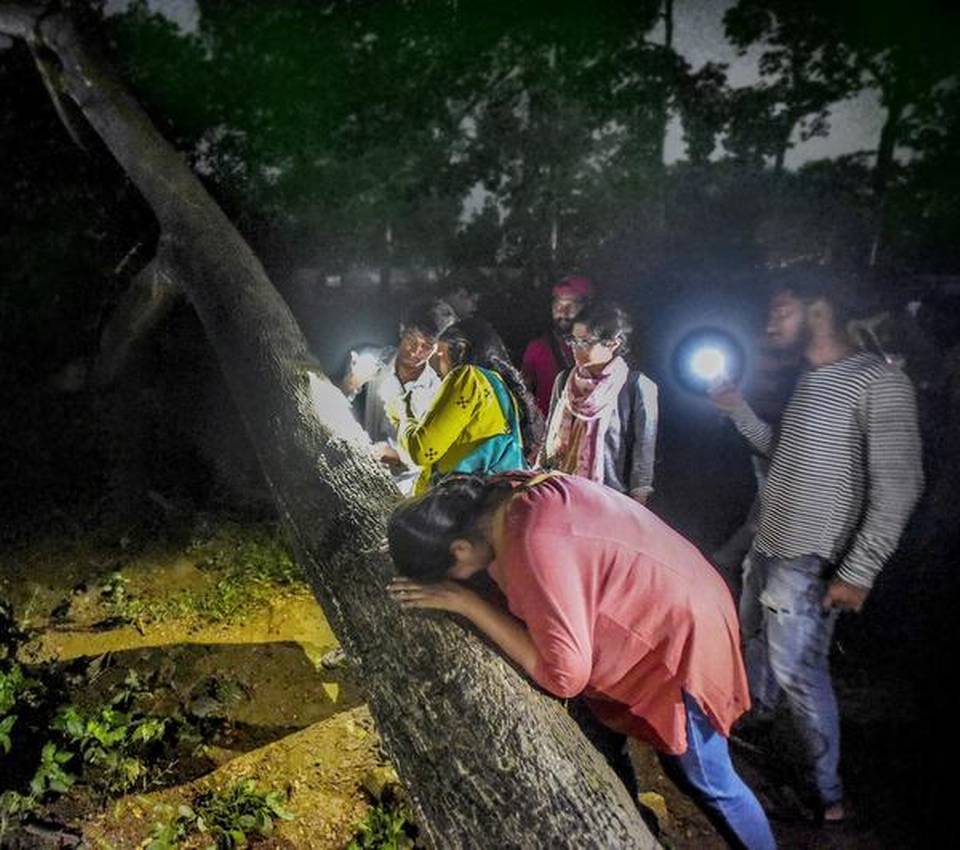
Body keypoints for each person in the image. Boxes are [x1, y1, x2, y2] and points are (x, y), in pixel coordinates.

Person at [387, 472, 777, 850]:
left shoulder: (532, 544)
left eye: (454, 575)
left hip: (680, 643)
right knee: (625, 742)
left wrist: (467, 603)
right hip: (677, 595)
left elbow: (564, 676)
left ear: (459, 549)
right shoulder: (502, 495)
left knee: (705, 778)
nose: (462, 581)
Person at [710, 271, 924, 825]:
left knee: (800, 674)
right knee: (758, 648)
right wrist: (736, 408)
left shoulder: (879, 381)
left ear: (820, 310)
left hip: (810, 558)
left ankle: (827, 797)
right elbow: (781, 454)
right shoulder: (813, 380)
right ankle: (754, 728)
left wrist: (859, 570)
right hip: (772, 548)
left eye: (781, 312)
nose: (769, 324)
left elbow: (900, 484)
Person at [394, 318, 542, 494]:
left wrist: (404, 414)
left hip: (459, 501)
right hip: (489, 500)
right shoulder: (499, 386)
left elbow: (423, 451)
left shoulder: (469, 377)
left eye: (439, 354)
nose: (436, 367)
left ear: (462, 348)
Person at [541, 301, 658, 505]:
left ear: (613, 343)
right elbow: (549, 436)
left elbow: (644, 451)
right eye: (573, 341)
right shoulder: (565, 380)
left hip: (610, 497)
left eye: (585, 342)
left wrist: (638, 500)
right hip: (561, 490)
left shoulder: (636, 386)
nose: (575, 349)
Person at [359, 297, 457, 494]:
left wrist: (397, 457)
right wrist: (350, 385)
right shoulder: (373, 361)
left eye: (427, 345)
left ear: (439, 348)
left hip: (404, 491)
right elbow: (336, 404)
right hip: (358, 474)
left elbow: (434, 455)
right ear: (402, 329)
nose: (415, 351)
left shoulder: (438, 392)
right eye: (411, 338)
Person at [522, 275, 592, 415]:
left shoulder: (600, 350)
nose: (562, 312)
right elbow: (525, 392)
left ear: (588, 306)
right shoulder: (537, 348)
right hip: (549, 424)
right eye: (558, 305)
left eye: (571, 305)